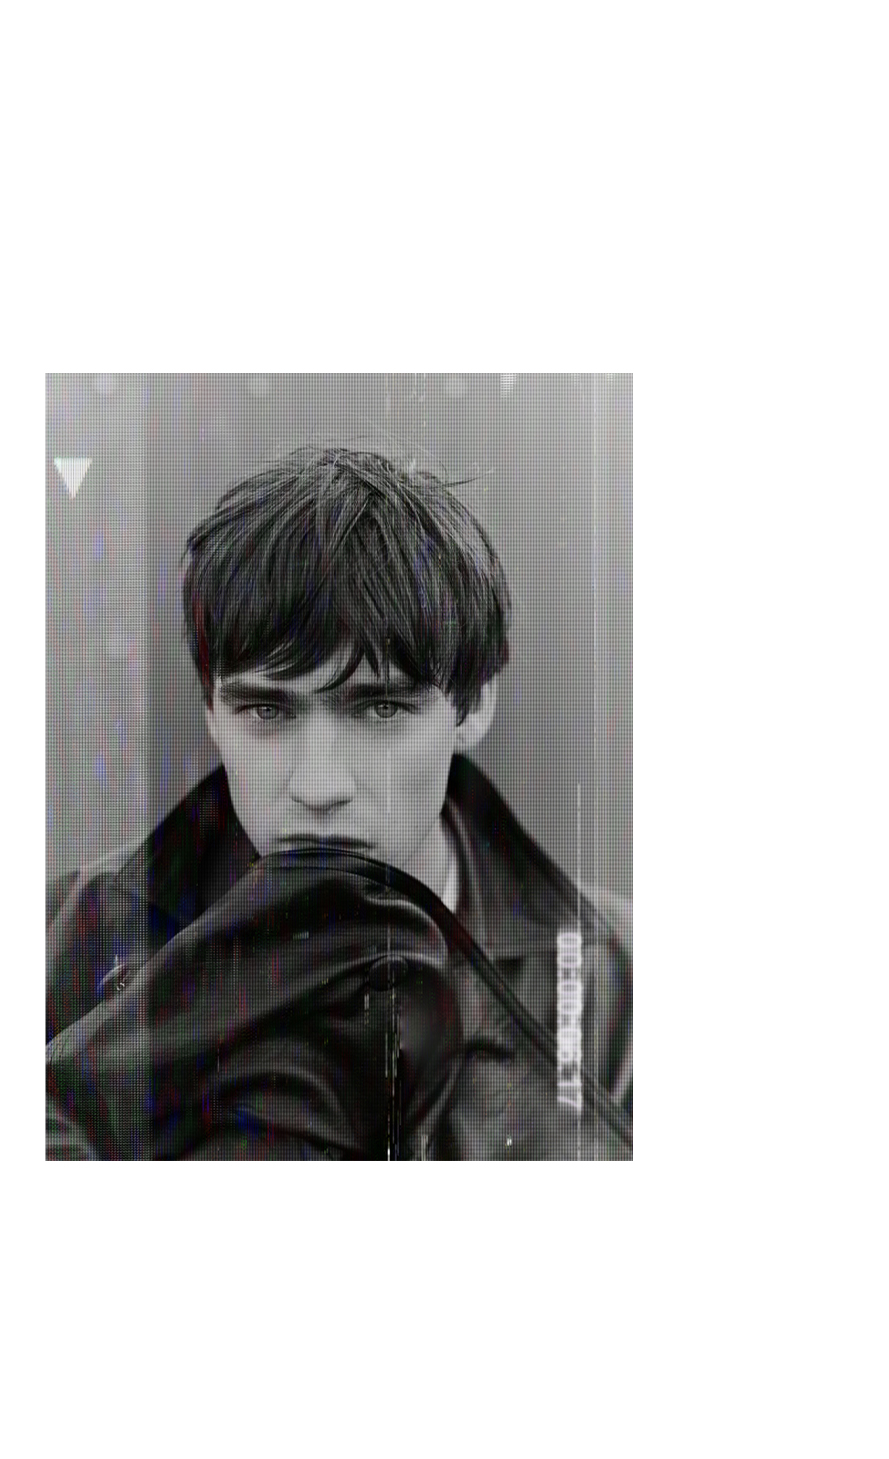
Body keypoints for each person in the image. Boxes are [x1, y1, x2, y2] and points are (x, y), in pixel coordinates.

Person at [46, 445, 633, 1160]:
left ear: (473, 706)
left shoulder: (616, 983)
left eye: (380, 711)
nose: (318, 786)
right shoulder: (60, 947)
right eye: (266, 712)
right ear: (210, 712)